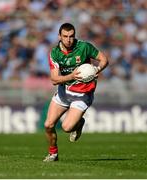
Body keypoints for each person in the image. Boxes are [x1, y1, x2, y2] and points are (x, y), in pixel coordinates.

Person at [43, 23, 109, 162]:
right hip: (64, 92)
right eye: (65, 36)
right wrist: (71, 76)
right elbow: (54, 79)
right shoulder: (55, 53)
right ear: (59, 36)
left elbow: (104, 60)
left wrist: (97, 70)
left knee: (67, 127)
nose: (68, 39)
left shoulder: (84, 47)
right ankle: (53, 153)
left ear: (75, 35)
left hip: (82, 95)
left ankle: (79, 123)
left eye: (71, 36)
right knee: (48, 125)